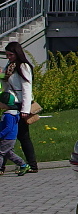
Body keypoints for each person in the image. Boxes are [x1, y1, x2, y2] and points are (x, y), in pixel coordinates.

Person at [3, 41, 36, 175]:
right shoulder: (10, 66)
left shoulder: (23, 66)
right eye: (7, 55)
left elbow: (27, 88)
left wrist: (25, 109)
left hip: (20, 103)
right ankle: (2, 166)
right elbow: (6, 84)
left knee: (23, 136)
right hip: (11, 102)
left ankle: (32, 164)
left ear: (17, 53)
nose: (9, 57)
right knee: (6, 135)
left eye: (11, 55)